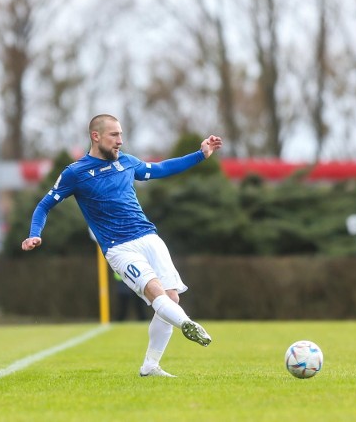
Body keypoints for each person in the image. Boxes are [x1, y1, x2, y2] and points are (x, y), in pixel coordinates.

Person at [22, 113, 222, 376]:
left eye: (121, 135)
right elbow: (44, 205)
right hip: (119, 248)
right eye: (114, 135)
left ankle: (150, 366)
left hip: (149, 237)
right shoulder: (76, 172)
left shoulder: (127, 162)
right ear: (96, 136)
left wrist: (200, 154)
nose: (120, 140)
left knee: (171, 297)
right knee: (157, 294)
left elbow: (160, 169)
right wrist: (35, 233)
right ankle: (188, 324)